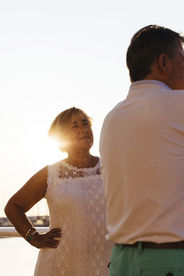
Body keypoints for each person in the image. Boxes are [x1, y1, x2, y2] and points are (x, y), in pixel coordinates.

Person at [99, 25, 184, 276]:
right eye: (183, 62)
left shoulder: (112, 118)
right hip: (173, 263)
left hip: (121, 262)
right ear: (164, 62)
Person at [5, 107, 111, 276]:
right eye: (74, 126)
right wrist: (33, 237)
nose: (83, 129)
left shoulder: (110, 167)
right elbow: (13, 206)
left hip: (104, 266)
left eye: (85, 124)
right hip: (59, 266)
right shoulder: (51, 174)